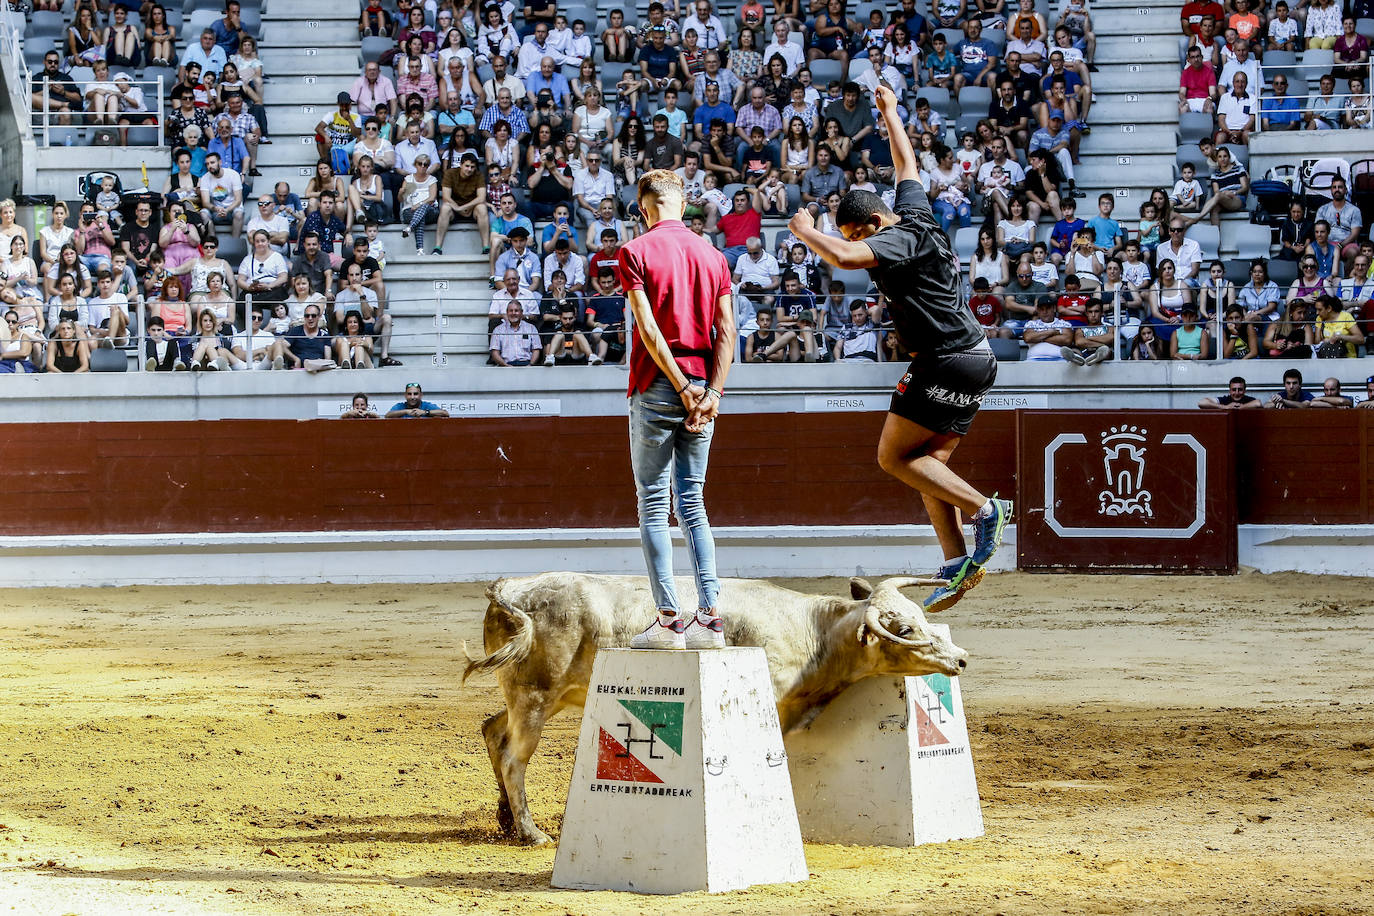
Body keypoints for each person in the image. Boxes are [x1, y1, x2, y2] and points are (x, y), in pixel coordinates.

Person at [787, 85, 1011, 613]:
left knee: (891, 456)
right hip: (977, 358)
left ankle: (984, 510)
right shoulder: (916, 213)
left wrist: (805, 231)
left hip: (944, 359)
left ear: (869, 225)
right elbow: (907, 162)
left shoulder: (894, 239)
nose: (861, 244)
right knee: (926, 461)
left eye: (857, 234)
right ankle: (957, 560)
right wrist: (889, 113)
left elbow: (842, 257)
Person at [611, 168, 735, 650]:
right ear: (683, 205)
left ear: (644, 208)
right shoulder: (714, 256)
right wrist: (711, 394)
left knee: (654, 502)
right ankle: (710, 617)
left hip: (659, 384)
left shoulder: (635, 251)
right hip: (705, 385)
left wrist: (680, 386)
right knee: (693, 502)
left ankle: (668, 619)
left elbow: (647, 329)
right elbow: (728, 334)